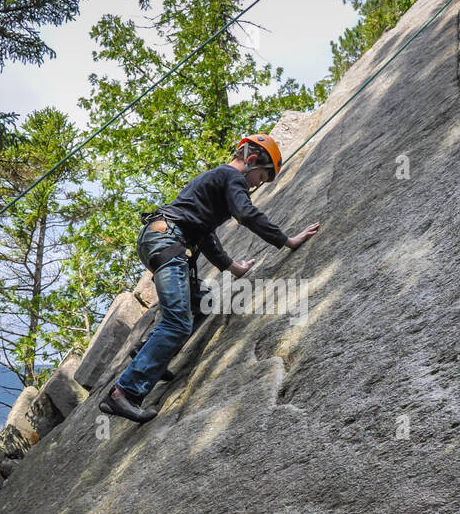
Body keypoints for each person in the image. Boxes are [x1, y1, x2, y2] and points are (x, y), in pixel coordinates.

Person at [99, 133, 320, 423]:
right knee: (177, 322)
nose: (257, 185)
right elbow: (247, 214)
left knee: (203, 302)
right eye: (262, 177)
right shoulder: (232, 177)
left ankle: (148, 351)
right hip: (167, 241)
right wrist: (286, 240)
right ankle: (123, 393)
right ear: (251, 160)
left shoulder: (215, 182)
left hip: (163, 239)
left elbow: (205, 234)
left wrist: (233, 268)